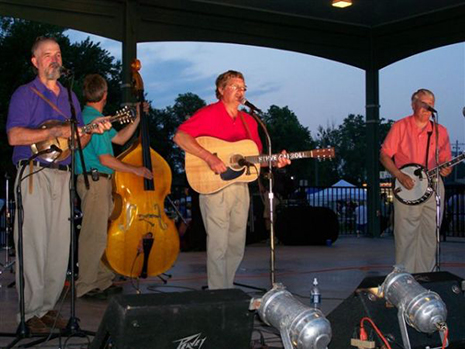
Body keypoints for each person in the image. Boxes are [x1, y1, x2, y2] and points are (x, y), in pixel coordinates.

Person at [6, 37, 110, 333]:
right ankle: (29, 314)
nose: (54, 59)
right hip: (34, 175)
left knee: (58, 246)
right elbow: (14, 137)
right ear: (35, 62)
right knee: (34, 245)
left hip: (63, 174)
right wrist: (59, 129)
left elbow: (78, 142)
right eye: (47, 55)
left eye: (58, 54)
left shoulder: (70, 97)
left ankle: (48, 309)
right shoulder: (25, 94)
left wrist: (91, 130)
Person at [173, 70, 290, 289]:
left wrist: (275, 161)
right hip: (214, 185)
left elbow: (254, 159)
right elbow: (180, 136)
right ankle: (219, 293)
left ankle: (226, 287)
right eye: (235, 87)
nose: (241, 91)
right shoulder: (209, 113)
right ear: (221, 89)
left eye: (243, 87)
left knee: (236, 244)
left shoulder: (249, 121)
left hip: (240, 186)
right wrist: (209, 157)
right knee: (218, 243)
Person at [75, 74, 153, 299]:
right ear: (105, 94)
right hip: (96, 180)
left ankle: (101, 280)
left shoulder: (93, 116)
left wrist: (137, 118)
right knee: (94, 235)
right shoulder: (93, 119)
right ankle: (86, 285)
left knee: (101, 232)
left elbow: (119, 138)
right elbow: (106, 159)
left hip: (97, 182)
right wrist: (136, 170)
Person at [380, 88, 452, 273]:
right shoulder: (400, 126)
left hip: (434, 186)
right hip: (407, 186)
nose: (428, 108)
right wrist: (399, 175)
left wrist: (446, 168)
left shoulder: (440, 131)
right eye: (424, 103)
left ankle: (427, 276)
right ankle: (404, 279)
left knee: (430, 234)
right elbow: (385, 155)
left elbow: (445, 159)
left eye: (431, 105)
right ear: (414, 105)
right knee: (406, 235)